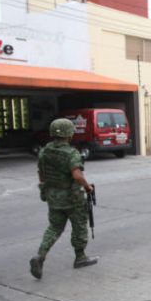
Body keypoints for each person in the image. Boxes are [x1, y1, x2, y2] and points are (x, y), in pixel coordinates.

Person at [30, 118, 98, 279]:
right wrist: (87, 187)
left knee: (54, 228)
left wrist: (44, 189)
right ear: (69, 134)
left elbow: (41, 174)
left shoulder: (44, 151)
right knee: (79, 226)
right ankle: (80, 257)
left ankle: (40, 256)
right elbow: (76, 175)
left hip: (53, 197)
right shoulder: (71, 153)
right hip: (72, 197)